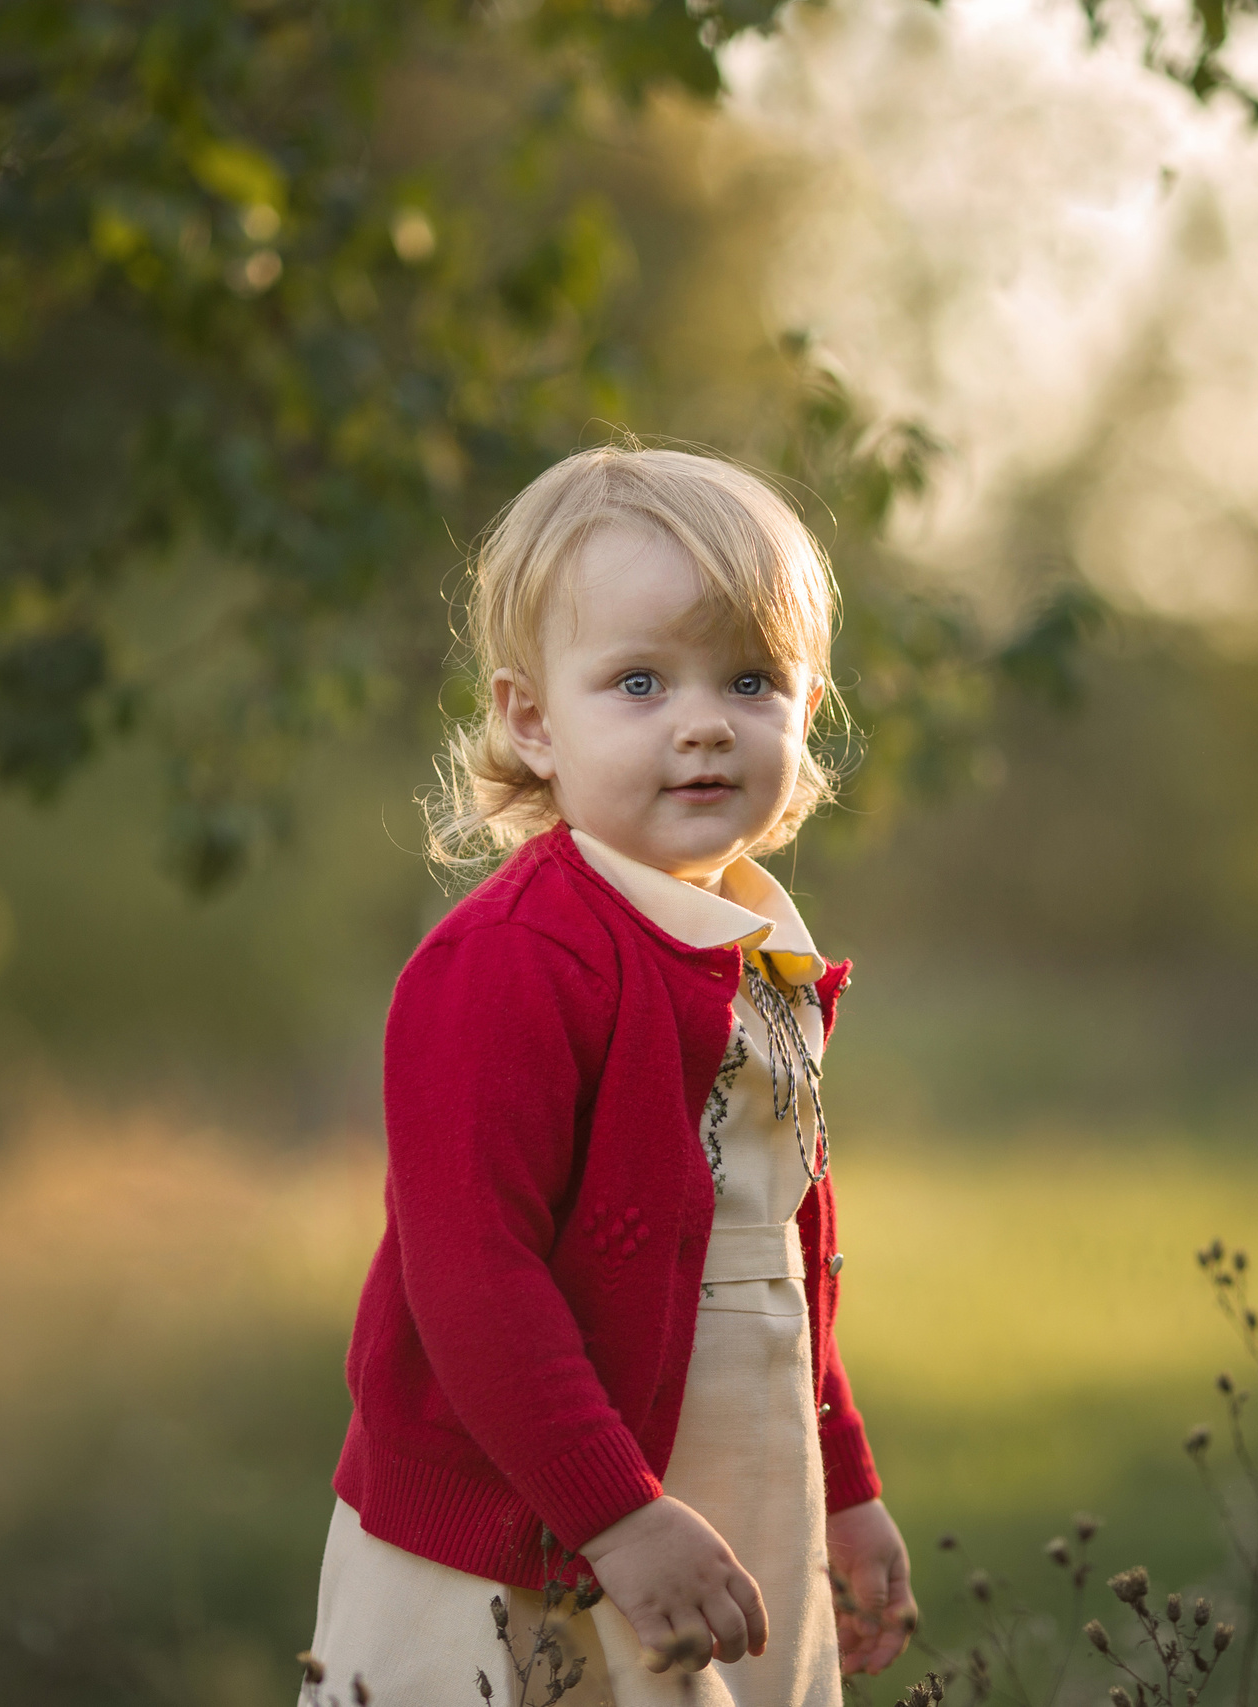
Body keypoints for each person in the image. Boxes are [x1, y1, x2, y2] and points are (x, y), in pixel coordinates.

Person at [300, 444, 917, 1704]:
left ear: (806, 712)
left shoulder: (753, 953)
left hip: (732, 1488)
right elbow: (472, 1278)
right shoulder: (513, 962)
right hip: (526, 1521)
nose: (702, 720)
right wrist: (617, 1521)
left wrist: (843, 1483)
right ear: (532, 719)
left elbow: (776, 1256)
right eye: (638, 681)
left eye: (750, 679)